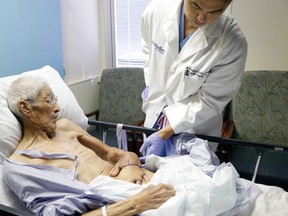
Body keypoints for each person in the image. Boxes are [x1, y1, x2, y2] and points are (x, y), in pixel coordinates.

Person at [3, 76, 175, 216]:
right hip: (125, 202)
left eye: (55, 99)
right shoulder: (21, 165)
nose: (57, 108)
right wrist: (136, 203)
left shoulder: (65, 126)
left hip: (152, 182)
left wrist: (131, 159)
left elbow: (110, 153)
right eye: (49, 100)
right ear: (25, 107)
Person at [139, 0, 247, 157]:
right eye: (196, 6)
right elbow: (147, 50)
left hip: (195, 132)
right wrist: (150, 85)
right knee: (150, 177)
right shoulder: (156, 11)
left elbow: (210, 100)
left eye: (215, 12)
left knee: (189, 179)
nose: (201, 18)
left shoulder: (232, 42)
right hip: (154, 117)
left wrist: (166, 132)